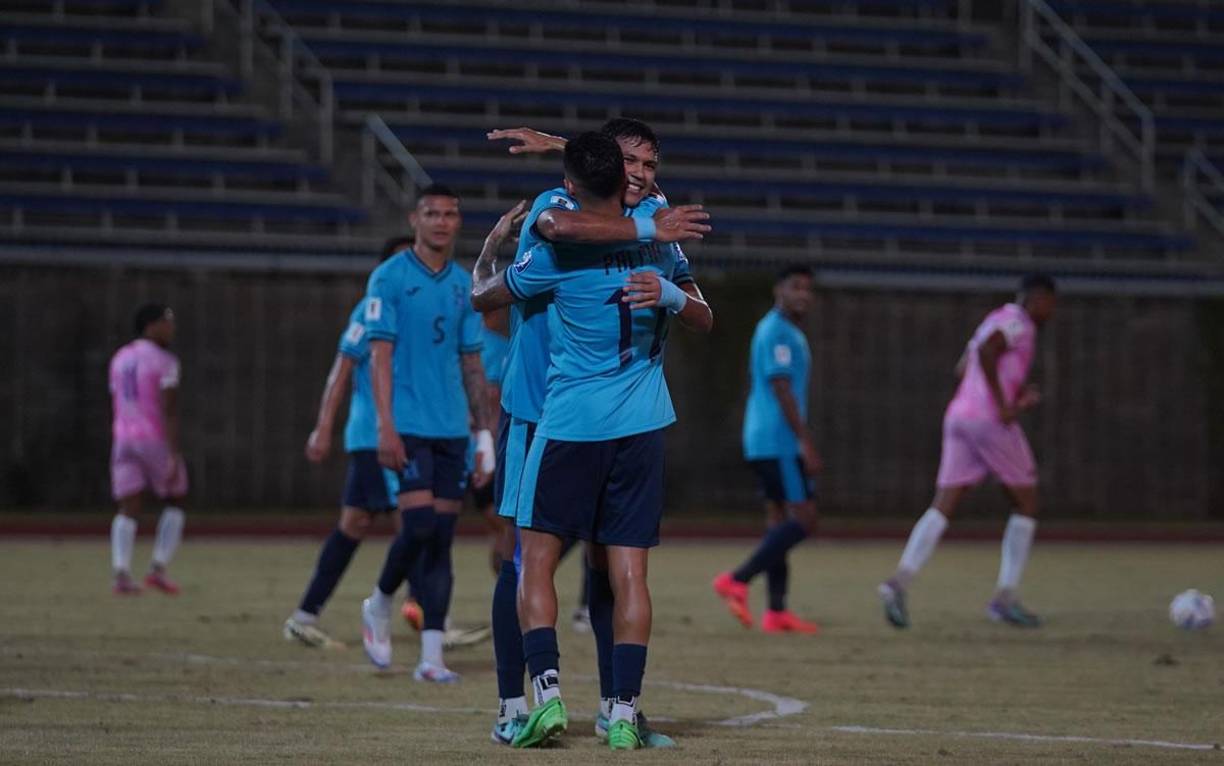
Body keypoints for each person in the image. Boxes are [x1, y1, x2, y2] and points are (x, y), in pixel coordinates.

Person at [472, 132, 713, 750]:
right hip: (536, 405)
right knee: (523, 562)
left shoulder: (650, 218)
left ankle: (614, 706)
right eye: (628, 161)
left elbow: (696, 304)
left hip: (581, 413)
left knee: (599, 565)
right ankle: (510, 704)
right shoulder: (571, 213)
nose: (641, 173)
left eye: (651, 164)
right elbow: (562, 224)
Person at [359, 185, 495, 683]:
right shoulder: (389, 278)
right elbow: (380, 355)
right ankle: (380, 601)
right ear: (415, 219)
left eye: (450, 214)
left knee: (440, 539)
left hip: (451, 429)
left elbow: (472, 361)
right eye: (432, 213)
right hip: (408, 425)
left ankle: (432, 658)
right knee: (417, 526)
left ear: (458, 223)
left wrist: (483, 436)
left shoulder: (464, 284)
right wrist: (385, 423)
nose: (441, 221)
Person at [877, 274, 1058, 629]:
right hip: (989, 421)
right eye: (1051, 304)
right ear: (1039, 299)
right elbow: (989, 350)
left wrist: (1013, 396)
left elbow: (965, 365)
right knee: (1027, 501)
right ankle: (1005, 598)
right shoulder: (1019, 323)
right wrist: (1004, 403)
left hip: (960, 416)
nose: (1051, 312)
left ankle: (898, 582)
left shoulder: (993, 317)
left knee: (944, 503)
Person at [283, 238, 413, 649]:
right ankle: (421, 614)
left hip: (412, 433)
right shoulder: (370, 310)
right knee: (406, 521)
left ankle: (306, 614)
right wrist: (322, 427)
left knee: (385, 523)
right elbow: (340, 371)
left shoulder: (429, 309)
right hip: (374, 436)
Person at [712, 266, 822, 634]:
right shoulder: (777, 331)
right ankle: (737, 579)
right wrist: (804, 440)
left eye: (808, 289)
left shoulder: (777, 329)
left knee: (778, 521)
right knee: (804, 519)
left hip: (762, 438)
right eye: (796, 287)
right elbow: (781, 388)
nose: (803, 295)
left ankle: (776, 612)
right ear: (779, 290)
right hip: (778, 440)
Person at [107, 303, 187, 596]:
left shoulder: (120, 358)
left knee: (128, 507)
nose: (172, 327)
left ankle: (121, 573)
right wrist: (174, 452)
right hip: (153, 438)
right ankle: (157, 569)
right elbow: (169, 409)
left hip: (122, 438)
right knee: (176, 499)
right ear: (150, 325)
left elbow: (117, 398)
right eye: (168, 321)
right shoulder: (165, 361)